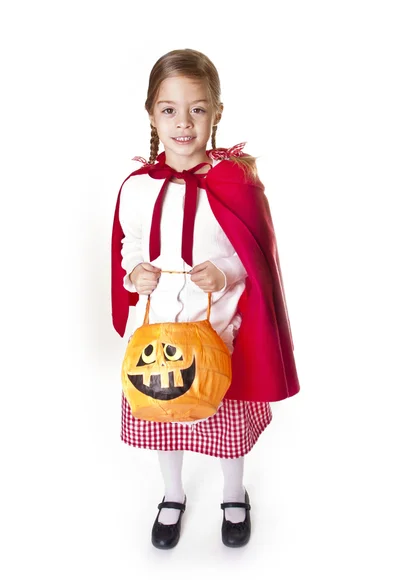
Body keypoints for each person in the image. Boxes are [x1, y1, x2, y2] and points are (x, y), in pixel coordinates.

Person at [111, 48, 300, 550]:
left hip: (217, 333)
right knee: (162, 416)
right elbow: (128, 245)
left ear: (217, 112)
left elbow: (254, 255)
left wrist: (224, 271)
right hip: (153, 335)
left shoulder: (235, 181)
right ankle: (172, 493)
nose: (184, 123)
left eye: (198, 108)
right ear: (151, 113)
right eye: (169, 109)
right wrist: (135, 274)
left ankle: (233, 493)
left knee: (225, 426)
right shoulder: (136, 187)